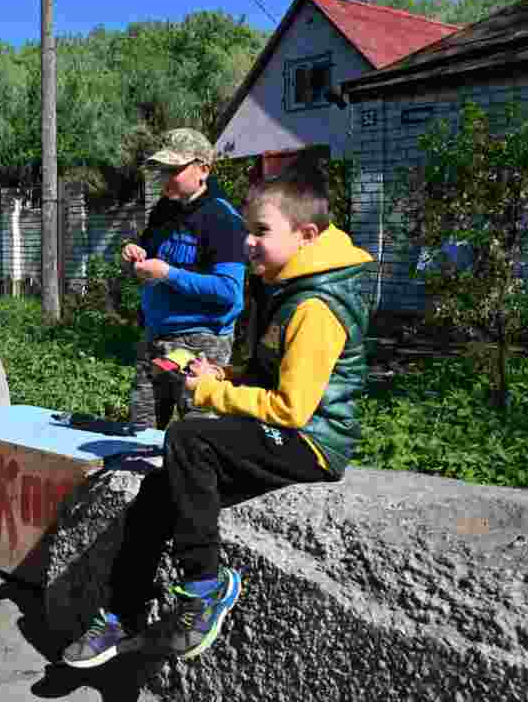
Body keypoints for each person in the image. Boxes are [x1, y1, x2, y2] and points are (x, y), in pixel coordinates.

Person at [61, 165, 373, 667]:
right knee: (158, 491)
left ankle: (205, 586)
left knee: (187, 437)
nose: (247, 242)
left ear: (307, 235)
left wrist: (210, 393)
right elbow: (272, 372)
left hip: (313, 441)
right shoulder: (288, 283)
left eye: (261, 231)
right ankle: (124, 616)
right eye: (247, 228)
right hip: (283, 430)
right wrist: (225, 375)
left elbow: (293, 408)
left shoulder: (315, 304)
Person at [123, 128, 246, 430]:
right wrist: (135, 256)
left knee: (198, 431)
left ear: (203, 169)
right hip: (157, 338)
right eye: (161, 170)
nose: (165, 178)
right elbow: (152, 261)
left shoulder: (222, 218)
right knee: (142, 427)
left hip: (200, 343)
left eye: (174, 170)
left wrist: (167, 273)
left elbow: (229, 291)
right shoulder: (164, 211)